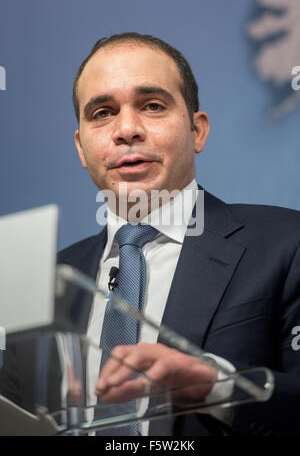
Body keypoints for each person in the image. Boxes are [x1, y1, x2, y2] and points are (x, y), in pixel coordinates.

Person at [1, 33, 300, 436]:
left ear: (198, 131)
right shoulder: (48, 281)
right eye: (102, 112)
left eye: (152, 106)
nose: (126, 129)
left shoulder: (286, 243)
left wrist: (216, 385)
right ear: (81, 147)